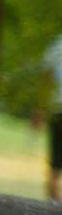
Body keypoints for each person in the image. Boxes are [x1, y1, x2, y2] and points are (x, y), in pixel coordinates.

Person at [46, 35, 62, 200]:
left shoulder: (56, 45)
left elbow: (46, 80)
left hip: (57, 110)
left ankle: (53, 204)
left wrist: (40, 109)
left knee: (55, 165)